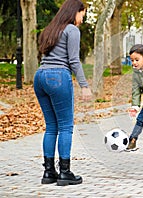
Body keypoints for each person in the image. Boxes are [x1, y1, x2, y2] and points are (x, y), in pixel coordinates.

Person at [34, 0, 92, 186]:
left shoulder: (49, 30)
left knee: (51, 126)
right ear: (74, 12)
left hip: (40, 76)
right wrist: (84, 85)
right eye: (82, 13)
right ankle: (65, 173)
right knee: (66, 126)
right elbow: (74, 60)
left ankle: (49, 172)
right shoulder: (71, 30)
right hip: (58, 77)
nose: (83, 17)